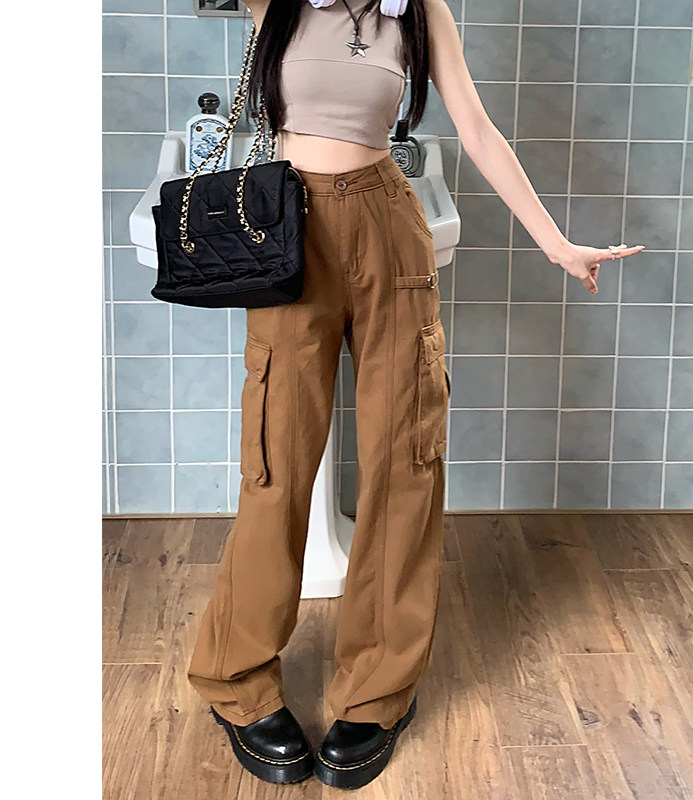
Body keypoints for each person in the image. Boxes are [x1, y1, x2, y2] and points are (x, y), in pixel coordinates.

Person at [186, 0, 645, 791]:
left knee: (406, 464)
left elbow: (477, 129)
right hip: (287, 223)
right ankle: (237, 679)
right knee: (274, 465)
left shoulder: (420, 10)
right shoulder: (278, 2)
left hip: (386, 223)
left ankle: (377, 690)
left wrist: (557, 243)